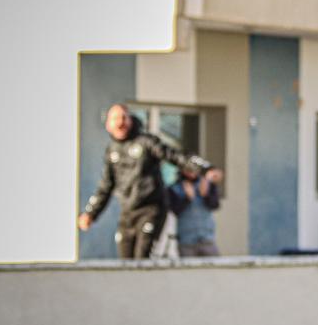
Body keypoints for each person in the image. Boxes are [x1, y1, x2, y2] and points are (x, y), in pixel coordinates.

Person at [78, 104, 211, 259]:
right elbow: (105, 186)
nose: (120, 122)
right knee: (125, 262)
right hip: (127, 212)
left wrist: (203, 168)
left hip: (151, 210)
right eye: (115, 118)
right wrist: (91, 213)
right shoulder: (112, 151)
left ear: (130, 120)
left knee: (142, 257)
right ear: (108, 125)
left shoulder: (146, 142)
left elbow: (173, 155)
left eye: (124, 117)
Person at [168, 167, 225, 256]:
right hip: (186, 241)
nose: (192, 172)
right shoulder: (175, 188)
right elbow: (175, 210)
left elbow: (215, 205)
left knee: (215, 268)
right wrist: (187, 198)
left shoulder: (206, 184)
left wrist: (206, 195)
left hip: (207, 239)